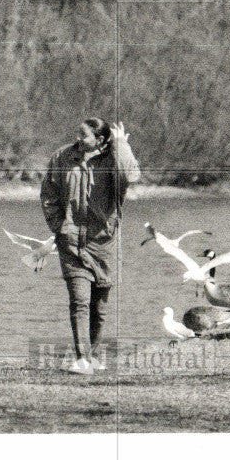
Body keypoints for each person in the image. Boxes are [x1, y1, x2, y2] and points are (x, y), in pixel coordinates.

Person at [40, 118, 140, 375]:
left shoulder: (113, 161)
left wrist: (121, 145)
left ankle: (92, 356)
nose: (77, 138)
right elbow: (48, 194)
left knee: (100, 307)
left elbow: (131, 175)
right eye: (77, 133)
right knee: (79, 301)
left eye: (83, 135)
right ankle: (82, 359)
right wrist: (59, 226)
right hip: (71, 241)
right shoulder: (62, 157)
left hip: (104, 243)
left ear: (100, 140)